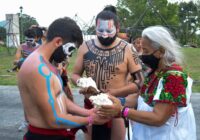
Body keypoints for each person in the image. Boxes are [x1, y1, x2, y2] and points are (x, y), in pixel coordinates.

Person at [98, 25, 197, 140]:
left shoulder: (174, 78)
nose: (142, 55)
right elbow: (142, 99)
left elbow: (158, 118)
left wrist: (121, 110)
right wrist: (115, 100)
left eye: (146, 50)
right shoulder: (154, 71)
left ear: (161, 52)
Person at [18, 17, 109, 140]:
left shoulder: (47, 65)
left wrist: (88, 112)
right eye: (70, 49)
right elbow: (53, 120)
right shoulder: (38, 69)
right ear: (58, 42)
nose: (69, 55)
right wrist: (90, 119)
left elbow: (61, 98)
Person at [71, 10, 144, 140]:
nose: (104, 35)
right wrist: (83, 84)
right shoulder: (85, 46)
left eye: (109, 31)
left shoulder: (128, 48)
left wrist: (115, 92)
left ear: (117, 28)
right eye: (100, 30)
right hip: (91, 106)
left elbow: (139, 81)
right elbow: (75, 74)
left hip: (116, 107)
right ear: (95, 28)